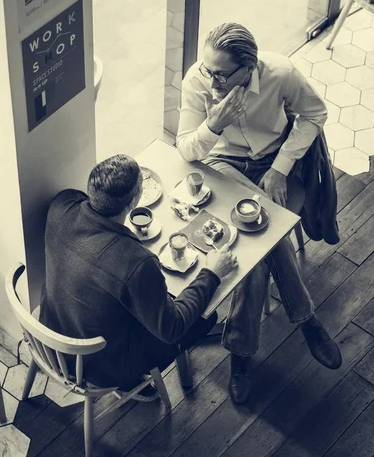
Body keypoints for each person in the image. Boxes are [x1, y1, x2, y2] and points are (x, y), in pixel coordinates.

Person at [176, 22, 343, 405]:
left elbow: (315, 113)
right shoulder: (197, 82)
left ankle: (240, 352)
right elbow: (187, 151)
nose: (212, 80)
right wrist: (213, 123)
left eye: (221, 73)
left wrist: (281, 166)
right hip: (224, 163)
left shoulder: (280, 74)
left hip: (273, 161)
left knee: (254, 245)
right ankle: (307, 320)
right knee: (261, 233)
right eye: (208, 70)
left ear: (248, 67)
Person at [39, 154, 237, 397]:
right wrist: (212, 273)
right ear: (134, 201)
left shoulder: (61, 205)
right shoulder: (136, 263)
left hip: (52, 334)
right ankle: (129, 381)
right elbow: (172, 328)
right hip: (101, 366)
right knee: (206, 318)